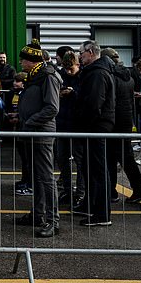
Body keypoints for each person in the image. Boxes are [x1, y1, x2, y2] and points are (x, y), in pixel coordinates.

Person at [14, 41, 61, 237]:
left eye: (23, 59)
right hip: (32, 131)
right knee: (38, 176)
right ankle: (39, 213)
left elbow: (52, 108)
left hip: (41, 132)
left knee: (46, 177)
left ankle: (53, 220)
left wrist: (30, 120)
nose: (21, 62)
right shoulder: (36, 77)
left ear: (32, 61)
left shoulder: (47, 77)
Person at [73, 40, 116, 227]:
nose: (79, 56)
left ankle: (102, 213)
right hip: (96, 125)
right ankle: (93, 206)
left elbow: (93, 104)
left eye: (81, 53)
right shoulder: (95, 72)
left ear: (90, 52)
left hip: (96, 127)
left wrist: (83, 122)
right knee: (93, 169)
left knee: (98, 170)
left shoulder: (97, 74)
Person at [102, 48, 141, 205]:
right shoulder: (128, 77)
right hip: (125, 121)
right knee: (125, 158)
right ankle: (137, 189)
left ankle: (115, 191)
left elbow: (110, 102)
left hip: (114, 122)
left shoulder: (111, 77)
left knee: (113, 158)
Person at [56, 51, 84, 207]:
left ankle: (80, 193)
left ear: (78, 64)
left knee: (80, 161)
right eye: (65, 68)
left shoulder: (83, 77)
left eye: (70, 68)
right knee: (62, 158)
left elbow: (87, 96)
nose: (68, 71)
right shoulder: (61, 75)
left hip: (77, 124)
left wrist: (73, 93)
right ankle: (67, 190)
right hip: (62, 123)